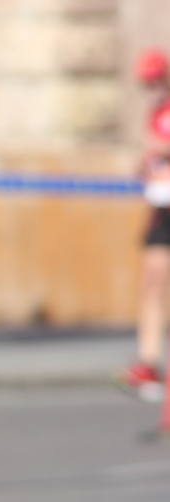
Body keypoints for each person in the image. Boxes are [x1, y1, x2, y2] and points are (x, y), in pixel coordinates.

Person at [124, 47, 170, 400]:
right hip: (161, 205)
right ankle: (148, 361)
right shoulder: (154, 112)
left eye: (157, 80)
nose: (153, 88)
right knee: (152, 282)